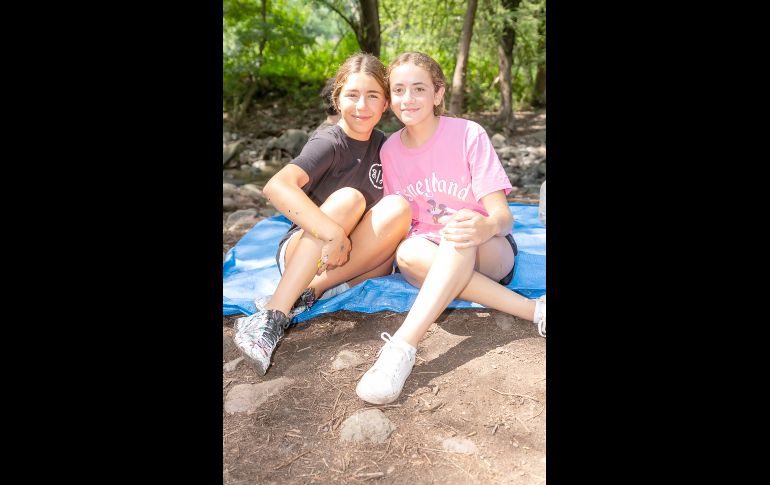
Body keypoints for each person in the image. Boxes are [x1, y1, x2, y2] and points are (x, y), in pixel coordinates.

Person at [355, 52, 546, 405]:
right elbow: (404, 220)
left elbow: (504, 218)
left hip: (488, 249)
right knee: (408, 250)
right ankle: (536, 311)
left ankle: (401, 347)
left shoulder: (468, 134)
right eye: (398, 90)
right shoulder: (391, 150)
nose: (407, 99)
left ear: (438, 94)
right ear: (390, 97)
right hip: (428, 253)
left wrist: (484, 225)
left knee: (459, 230)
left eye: (418, 89)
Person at [234, 53, 412, 376]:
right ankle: (272, 315)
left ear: (385, 103)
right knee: (348, 200)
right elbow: (276, 186)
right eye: (352, 95)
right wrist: (332, 232)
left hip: (345, 267)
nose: (362, 106)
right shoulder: (330, 141)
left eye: (373, 96)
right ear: (337, 98)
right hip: (305, 251)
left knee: (399, 209)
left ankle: (310, 292)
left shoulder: (385, 146)